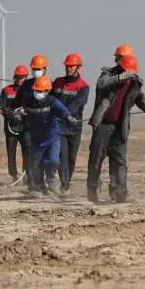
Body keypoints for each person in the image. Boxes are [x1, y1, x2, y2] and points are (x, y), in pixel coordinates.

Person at [87, 54, 145, 203]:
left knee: (119, 160)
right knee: (96, 158)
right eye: (126, 71)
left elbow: (140, 98)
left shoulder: (135, 83)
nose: (129, 75)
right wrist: (119, 78)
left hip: (120, 126)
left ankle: (120, 191)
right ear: (120, 68)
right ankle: (92, 189)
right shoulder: (109, 75)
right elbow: (100, 84)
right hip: (103, 124)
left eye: (131, 72)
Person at [25, 76, 75, 196]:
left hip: (52, 137)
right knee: (35, 165)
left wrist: (68, 117)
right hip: (36, 139)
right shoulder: (29, 102)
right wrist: (18, 115)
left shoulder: (52, 101)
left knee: (53, 160)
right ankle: (40, 188)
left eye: (40, 91)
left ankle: (51, 180)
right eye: (36, 90)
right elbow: (25, 114)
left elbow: (61, 110)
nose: (37, 93)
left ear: (47, 91)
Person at [7, 54, 48, 191]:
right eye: (34, 68)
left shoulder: (49, 85)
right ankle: (32, 183)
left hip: (44, 128)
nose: (36, 71)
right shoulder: (25, 85)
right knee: (29, 155)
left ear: (44, 69)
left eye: (38, 68)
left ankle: (44, 183)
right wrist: (11, 111)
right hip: (28, 127)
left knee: (43, 156)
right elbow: (16, 102)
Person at [52, 54, 90, 195]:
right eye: (66, 66)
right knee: (62, 156)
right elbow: (51, 99)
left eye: (71, 66)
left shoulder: (83, 87)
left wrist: (64, 112)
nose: (68, 68)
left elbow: (77, 104)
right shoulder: (57, 82)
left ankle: (66, 182)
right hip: (59, 126)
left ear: (78, 67)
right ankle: (65, 186)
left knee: (71, 159)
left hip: (74, 127)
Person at [0, 65, 30, 182]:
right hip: (11, 127)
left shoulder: (30, 90)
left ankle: (26, 174)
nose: (19, 79)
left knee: (27, 151)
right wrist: (12, 115)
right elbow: (2, 107)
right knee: (11, 152)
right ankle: (14, 176)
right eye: (17, 77)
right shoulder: (6, 91)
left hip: (25, 127)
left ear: (26, 77)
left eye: (21, 77)